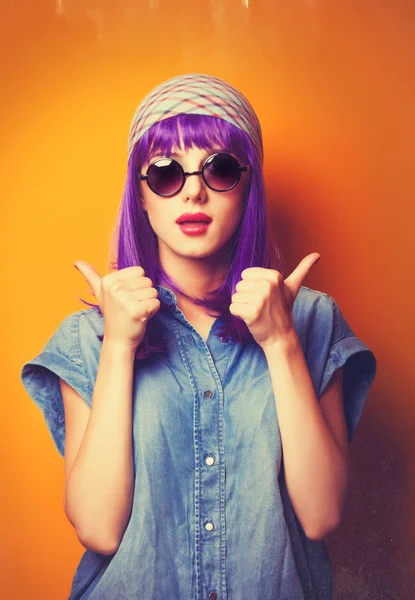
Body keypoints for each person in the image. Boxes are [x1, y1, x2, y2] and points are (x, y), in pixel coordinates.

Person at [21, 73, 377, 600]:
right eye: (165, 172)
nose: (193, 189)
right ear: (140, 195)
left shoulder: (311, 320)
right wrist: (119, 348)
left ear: (249, 188)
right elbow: (97, 529)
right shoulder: (90, 336)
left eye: (221, 168)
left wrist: (281, 345)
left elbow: (322, 516)